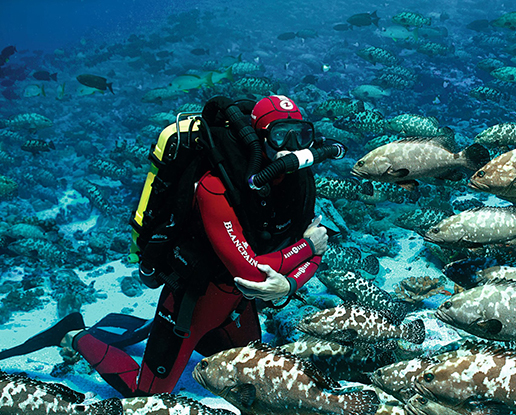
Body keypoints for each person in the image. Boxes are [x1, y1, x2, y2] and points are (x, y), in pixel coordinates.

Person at [2, 95, 341, 397]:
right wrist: (304, 250)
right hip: (190, 304)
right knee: (145, 394)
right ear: (257, 138)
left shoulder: (299, 179)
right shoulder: (214, 186)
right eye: (281, 135)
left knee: (254, 374)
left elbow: (316, 247)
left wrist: (291, 280)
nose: (293, 147)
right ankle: (72, 334)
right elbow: (252, 269)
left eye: (302, 135)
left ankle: (189, 341)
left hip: (235, 305)